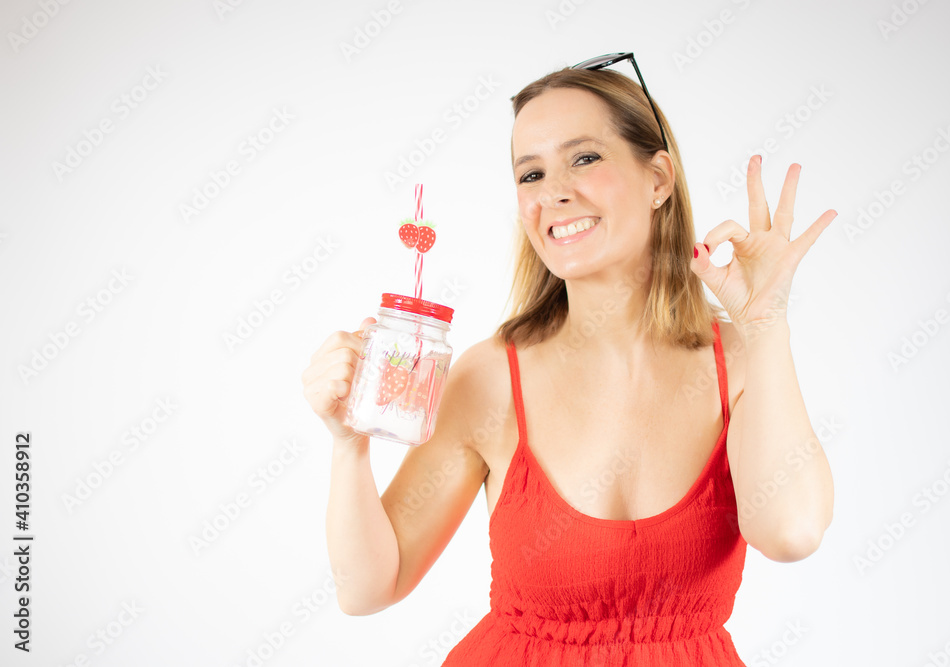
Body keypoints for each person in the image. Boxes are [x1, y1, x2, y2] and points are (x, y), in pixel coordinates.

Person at [302, 52, 836, 666]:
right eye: (530, 174)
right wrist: (348, 445)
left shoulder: (739, 363)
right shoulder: (489, 378)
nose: (553, 193)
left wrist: (765, 326)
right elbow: (369, 588)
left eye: (584, 158)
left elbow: (791, 532)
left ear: (658, 179)